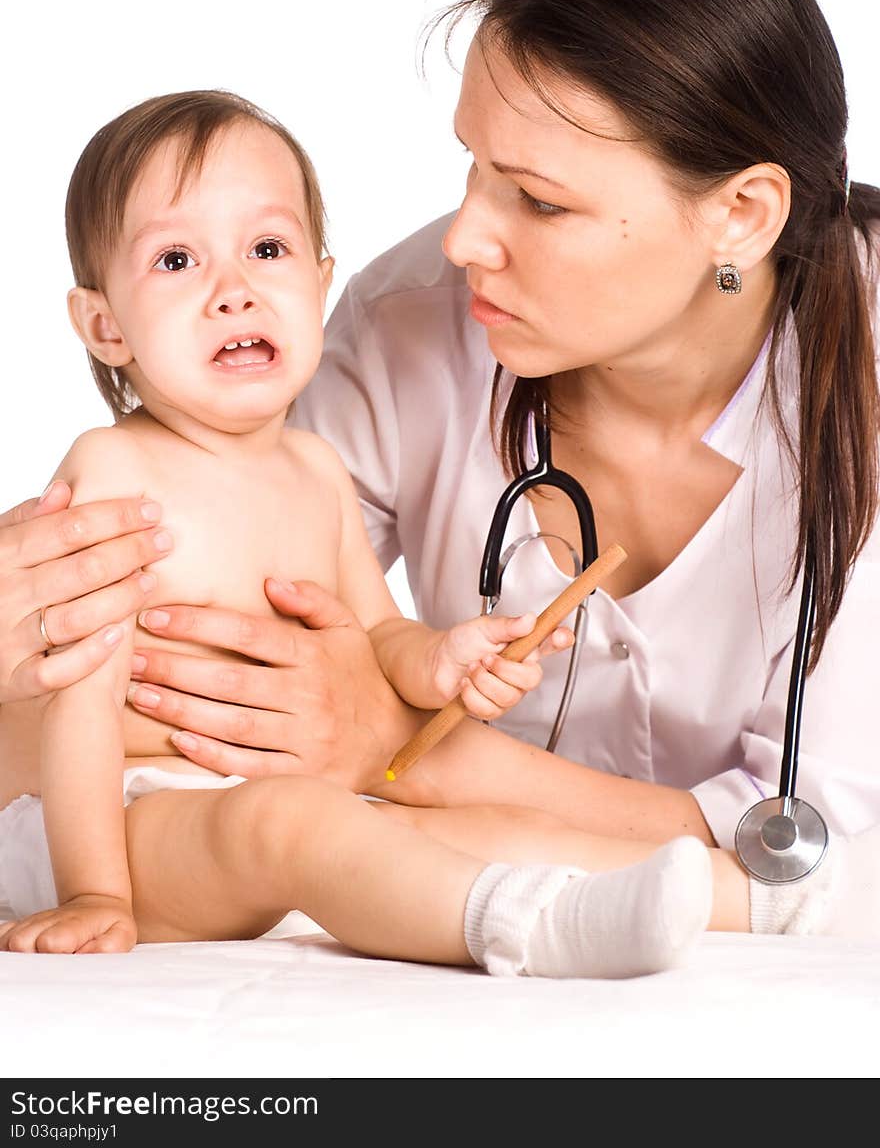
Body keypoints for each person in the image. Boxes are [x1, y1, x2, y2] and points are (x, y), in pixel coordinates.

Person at [3, 0, 880, 942]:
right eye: (472, 165)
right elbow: (230, 678)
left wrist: (397, 741)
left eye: (539, 200)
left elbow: (827, 851)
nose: (466, 236)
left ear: (738, 214)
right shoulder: (405, 322)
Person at [0, 87, 733, 978]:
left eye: (266, 249)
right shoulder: (115, 470)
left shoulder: (313, 470)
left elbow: (376, 633)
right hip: (124, 815)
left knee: (462, 823)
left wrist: (443, 659)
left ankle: (744, 895)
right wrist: (94, 892)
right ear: (105, 325)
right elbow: (77, 697)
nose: (232, 292)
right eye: (176, 259)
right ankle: (523, 927)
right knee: (294, 826)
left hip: (280, 800)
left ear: (319, 281)